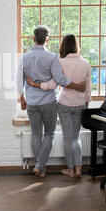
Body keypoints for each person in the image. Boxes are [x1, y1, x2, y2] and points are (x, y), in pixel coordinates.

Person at [16, 26, 86, 178]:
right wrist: (79, 87)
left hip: (32, 102)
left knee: (35, 135)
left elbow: (18, 80)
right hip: (48, 102)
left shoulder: (24, 57)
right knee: (49, 134)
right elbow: (59, 80)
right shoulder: (52, 57)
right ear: (47, 39)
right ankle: (40, 166)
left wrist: (22, 97)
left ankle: (41, 169)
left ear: (33, 39)